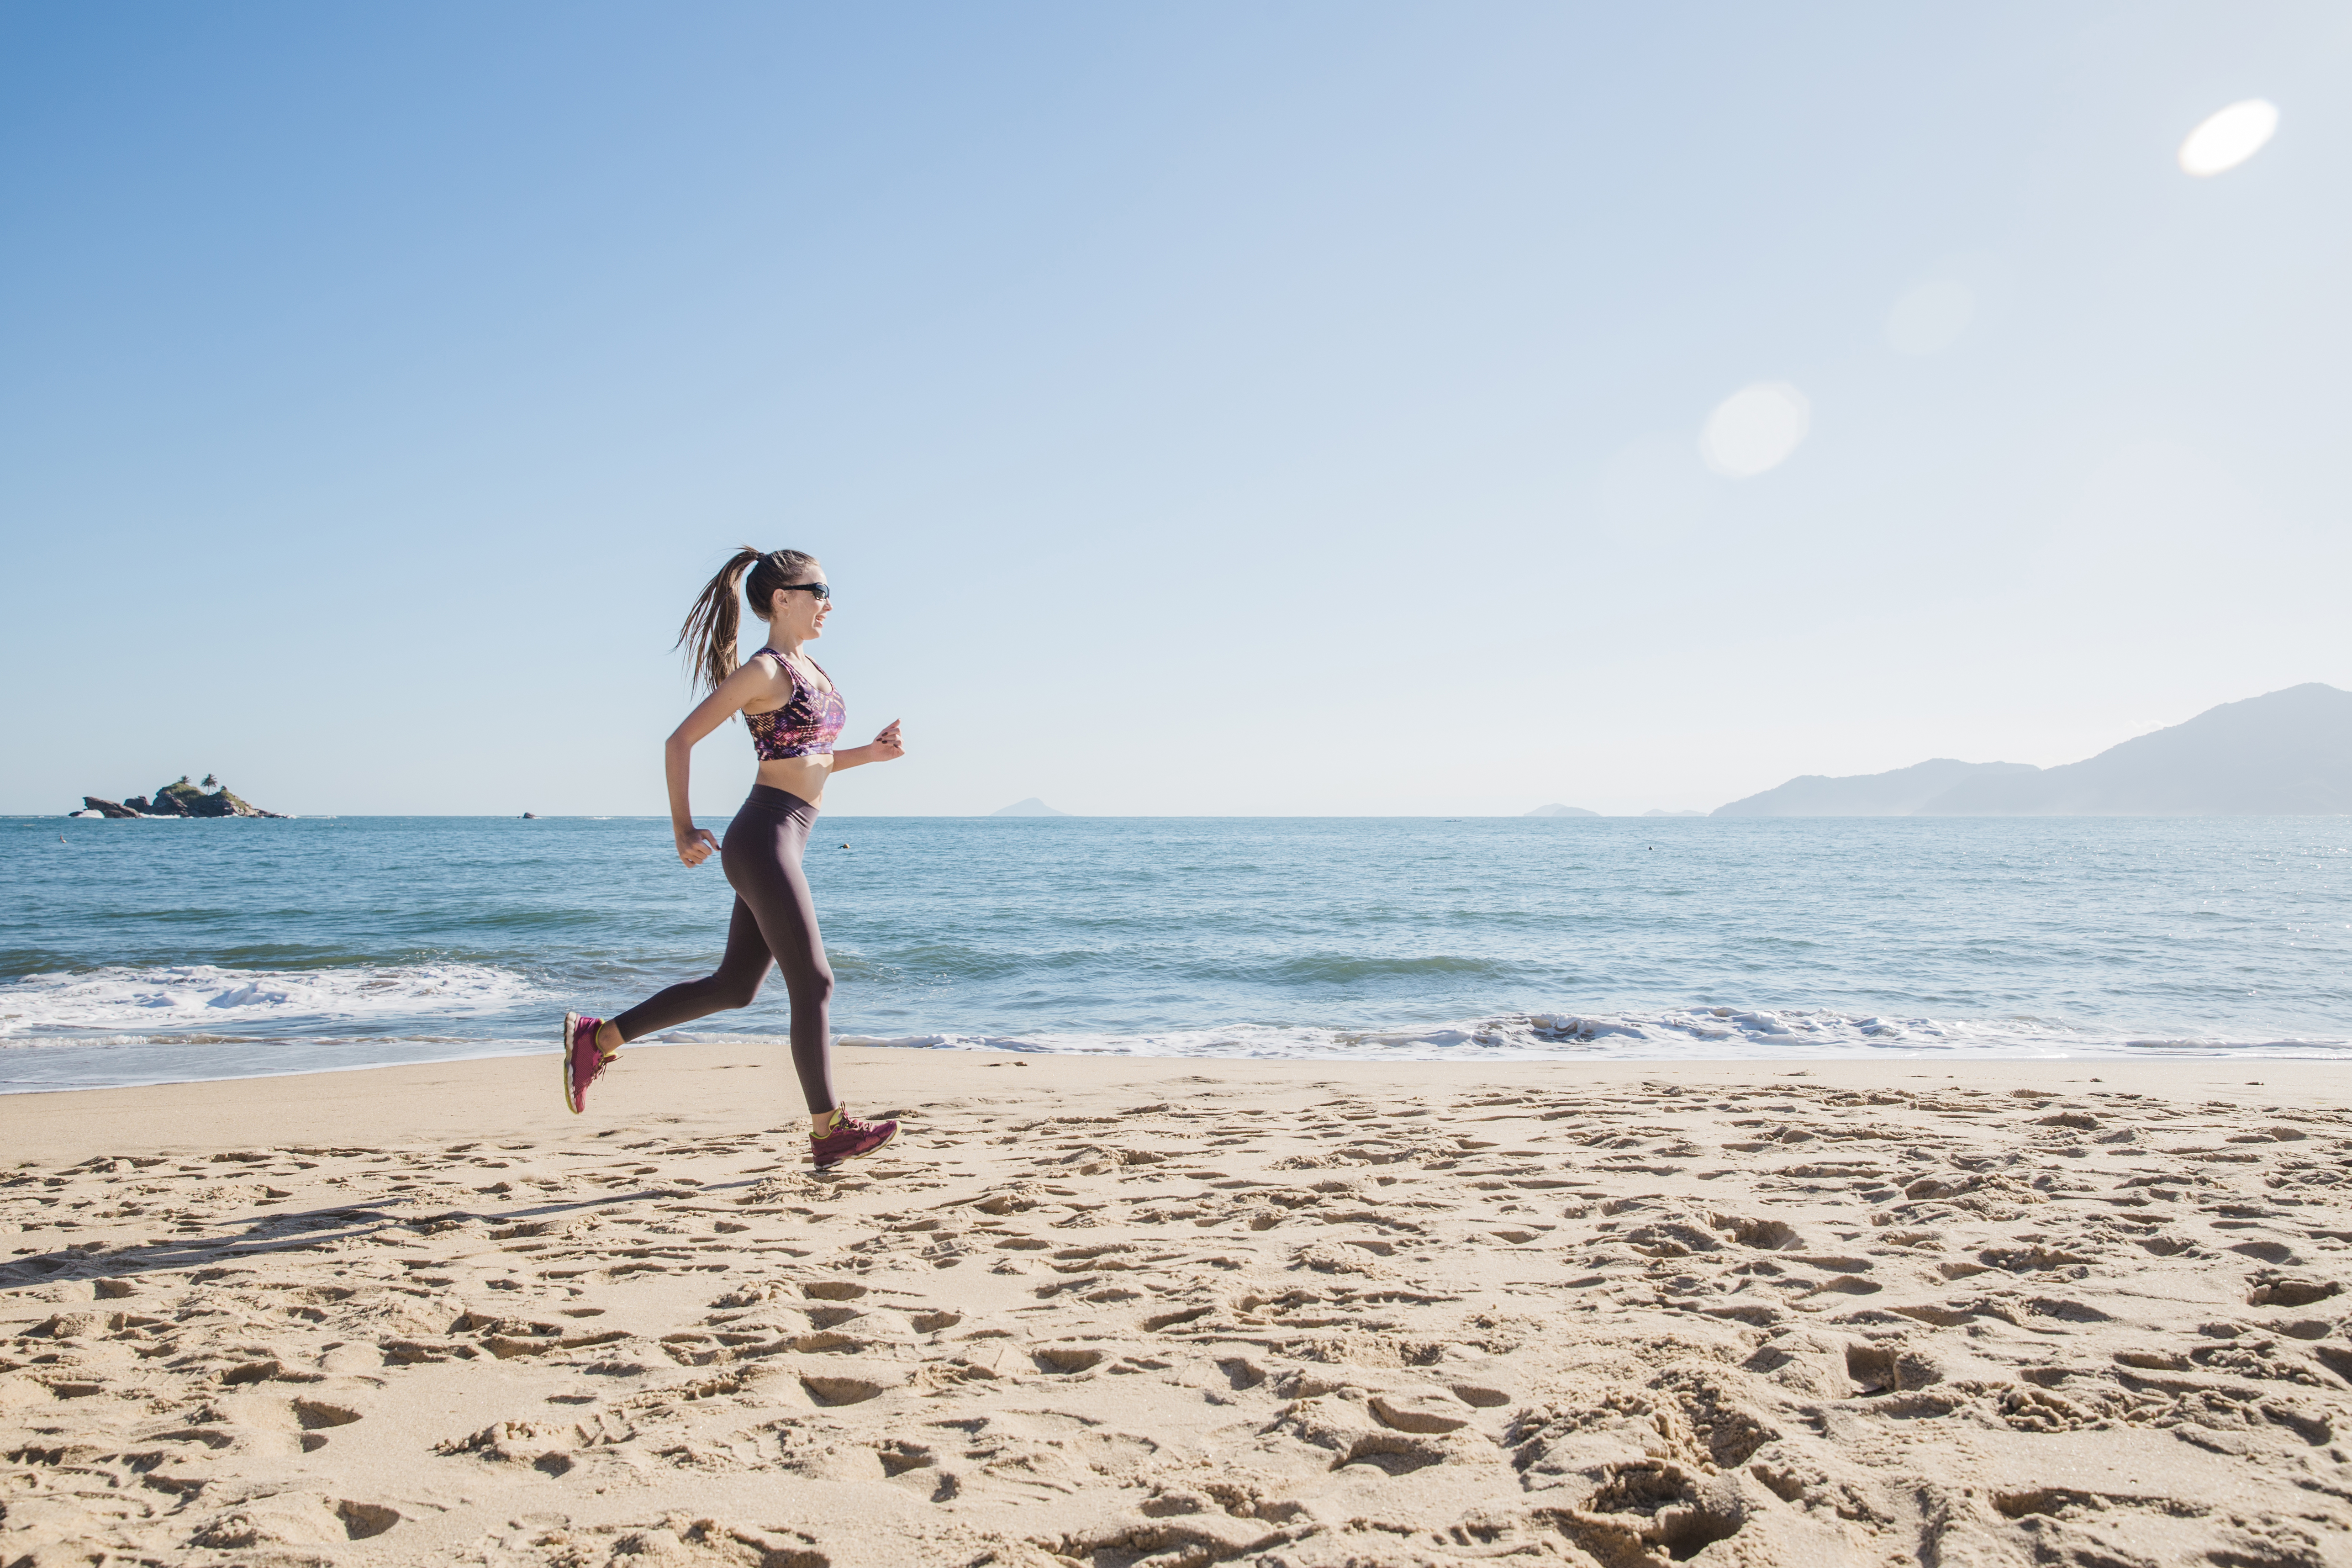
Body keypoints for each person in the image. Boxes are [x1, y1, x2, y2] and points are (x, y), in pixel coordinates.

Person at [562, 547, 907, 1168]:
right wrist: (683, 828)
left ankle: (598, 1037)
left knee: (736, 987)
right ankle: (828, 1129)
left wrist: (870, 755)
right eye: (820, 590)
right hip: (763, 837)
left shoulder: (811, 669)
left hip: (785, 837)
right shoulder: (765, 671)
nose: (829, 603)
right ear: (782, 598)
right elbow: (679, 740)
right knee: (815, 982)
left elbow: (808, 757)